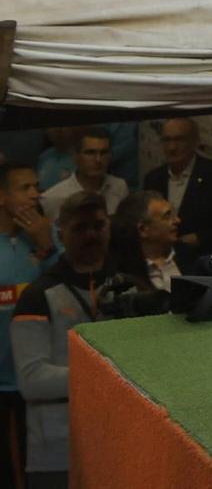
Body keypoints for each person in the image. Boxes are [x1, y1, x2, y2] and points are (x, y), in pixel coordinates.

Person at [11, 194, 110, 486]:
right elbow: (32, 380)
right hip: (57, 455)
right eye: (80, 228)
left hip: (115, 446)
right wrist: (104, 376)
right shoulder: (37, 296)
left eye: (99, 225)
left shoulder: (128, 288)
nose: (91, 234)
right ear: (61, 232)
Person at [0, 161, 56, 470]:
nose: (36, 194)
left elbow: (61, 294)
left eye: (38, 187)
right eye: (25, 188)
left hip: (37, 378)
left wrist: (46, 246)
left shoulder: (47, 237)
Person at [142, 118, 212, 256]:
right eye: (167, 140)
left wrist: (201, 238)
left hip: (203, 262)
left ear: (195, 142)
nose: (172, 147)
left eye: (179, 140)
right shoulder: (153, 179)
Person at [38, 127, 125, 220]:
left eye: (104, 153)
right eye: (90, 153)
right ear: (75, 156)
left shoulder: (119, 187)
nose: (98, 160)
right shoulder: (53, 198)